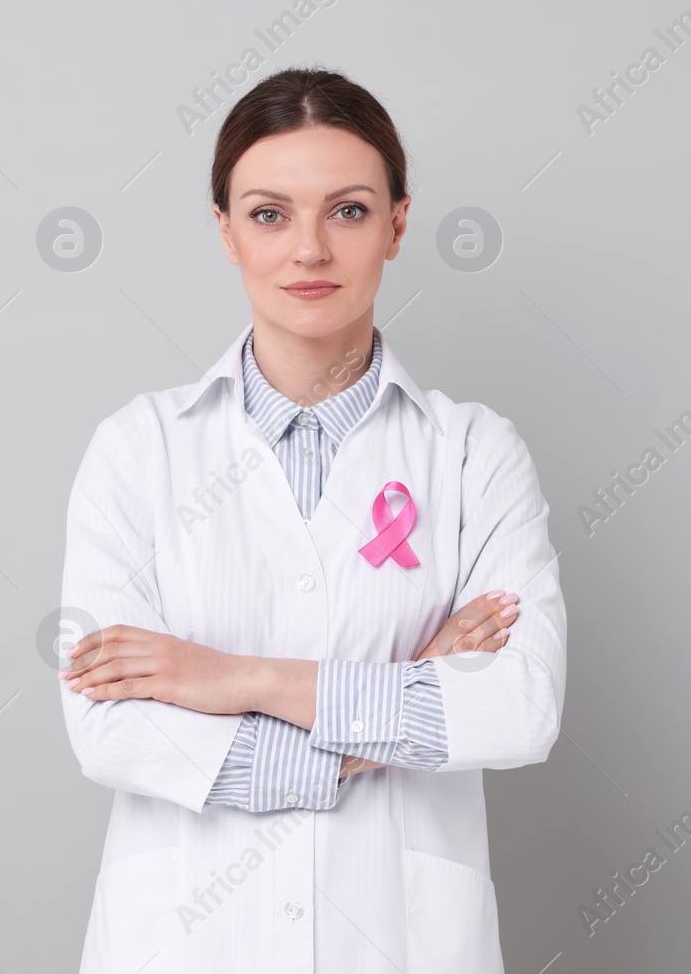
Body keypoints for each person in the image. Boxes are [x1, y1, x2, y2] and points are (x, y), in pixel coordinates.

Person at [56, 66, 567, 973]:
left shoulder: (471, 452)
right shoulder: (138, 449)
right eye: (268, 213)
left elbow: (519, 709)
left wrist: (229, 676)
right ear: (224, 231)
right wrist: (395, 708)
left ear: (398, 225)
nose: (309, 251)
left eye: (348, 210)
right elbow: (111, 729)